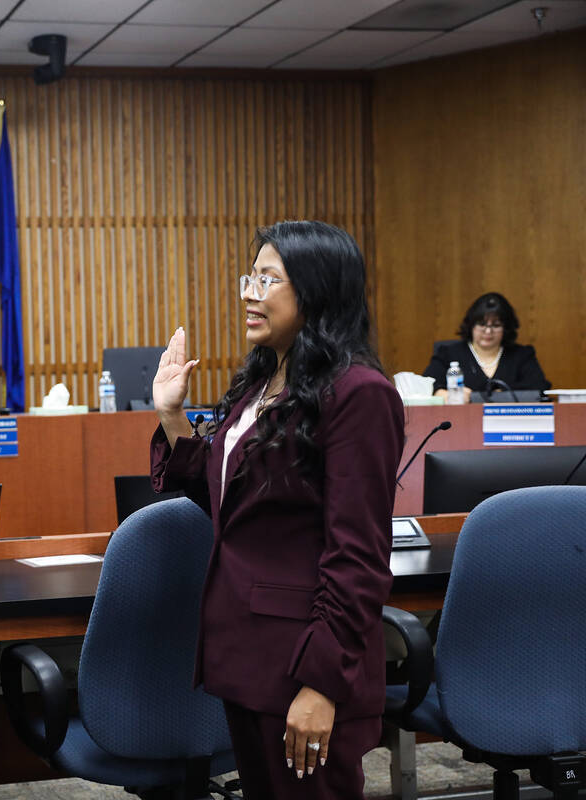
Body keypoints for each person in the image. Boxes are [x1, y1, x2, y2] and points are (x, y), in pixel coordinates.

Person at [150, 221, 404, 799]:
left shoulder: (358, 393)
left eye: (269, 279)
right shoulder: (260, 381)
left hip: (305, 669)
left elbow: (359, 558)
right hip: (248, 657)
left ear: (316, 289)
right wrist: (172, 418)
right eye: (250, 276)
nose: (248, 292)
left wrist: (321, 687)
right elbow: (230, 502)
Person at [422, 292, 550, 400]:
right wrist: (443, 394)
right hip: (460, 422)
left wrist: (502, 396)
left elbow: (540, 388)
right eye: (482, 324)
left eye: (496, 325)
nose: (488, 331)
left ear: (506, 328)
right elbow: (426, 385)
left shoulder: (522, 355)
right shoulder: (449, 354)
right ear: (471, 325)